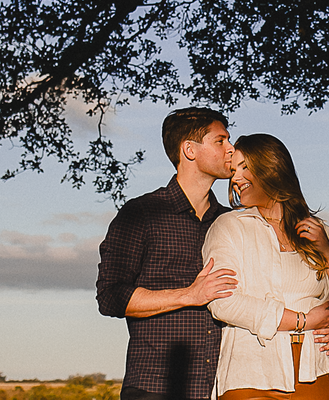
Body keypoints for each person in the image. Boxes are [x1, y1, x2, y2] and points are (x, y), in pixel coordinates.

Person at [202, 134, 329, 400]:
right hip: (251, 372)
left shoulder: (321, 233)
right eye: (233, 170)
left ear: (272, 168)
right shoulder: (229, 227)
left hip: (315, 372)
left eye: (244, 167)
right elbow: (223, 302)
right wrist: (303, 321)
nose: (235, 179)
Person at [97, 107, 240, 400]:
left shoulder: (233, 222)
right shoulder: (141, 213)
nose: (231, 148)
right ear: (189, 150)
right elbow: (110, 296)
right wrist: (190, 294)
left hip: (224, 387)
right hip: (155, 387)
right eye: (220, 141)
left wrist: (311, 326)